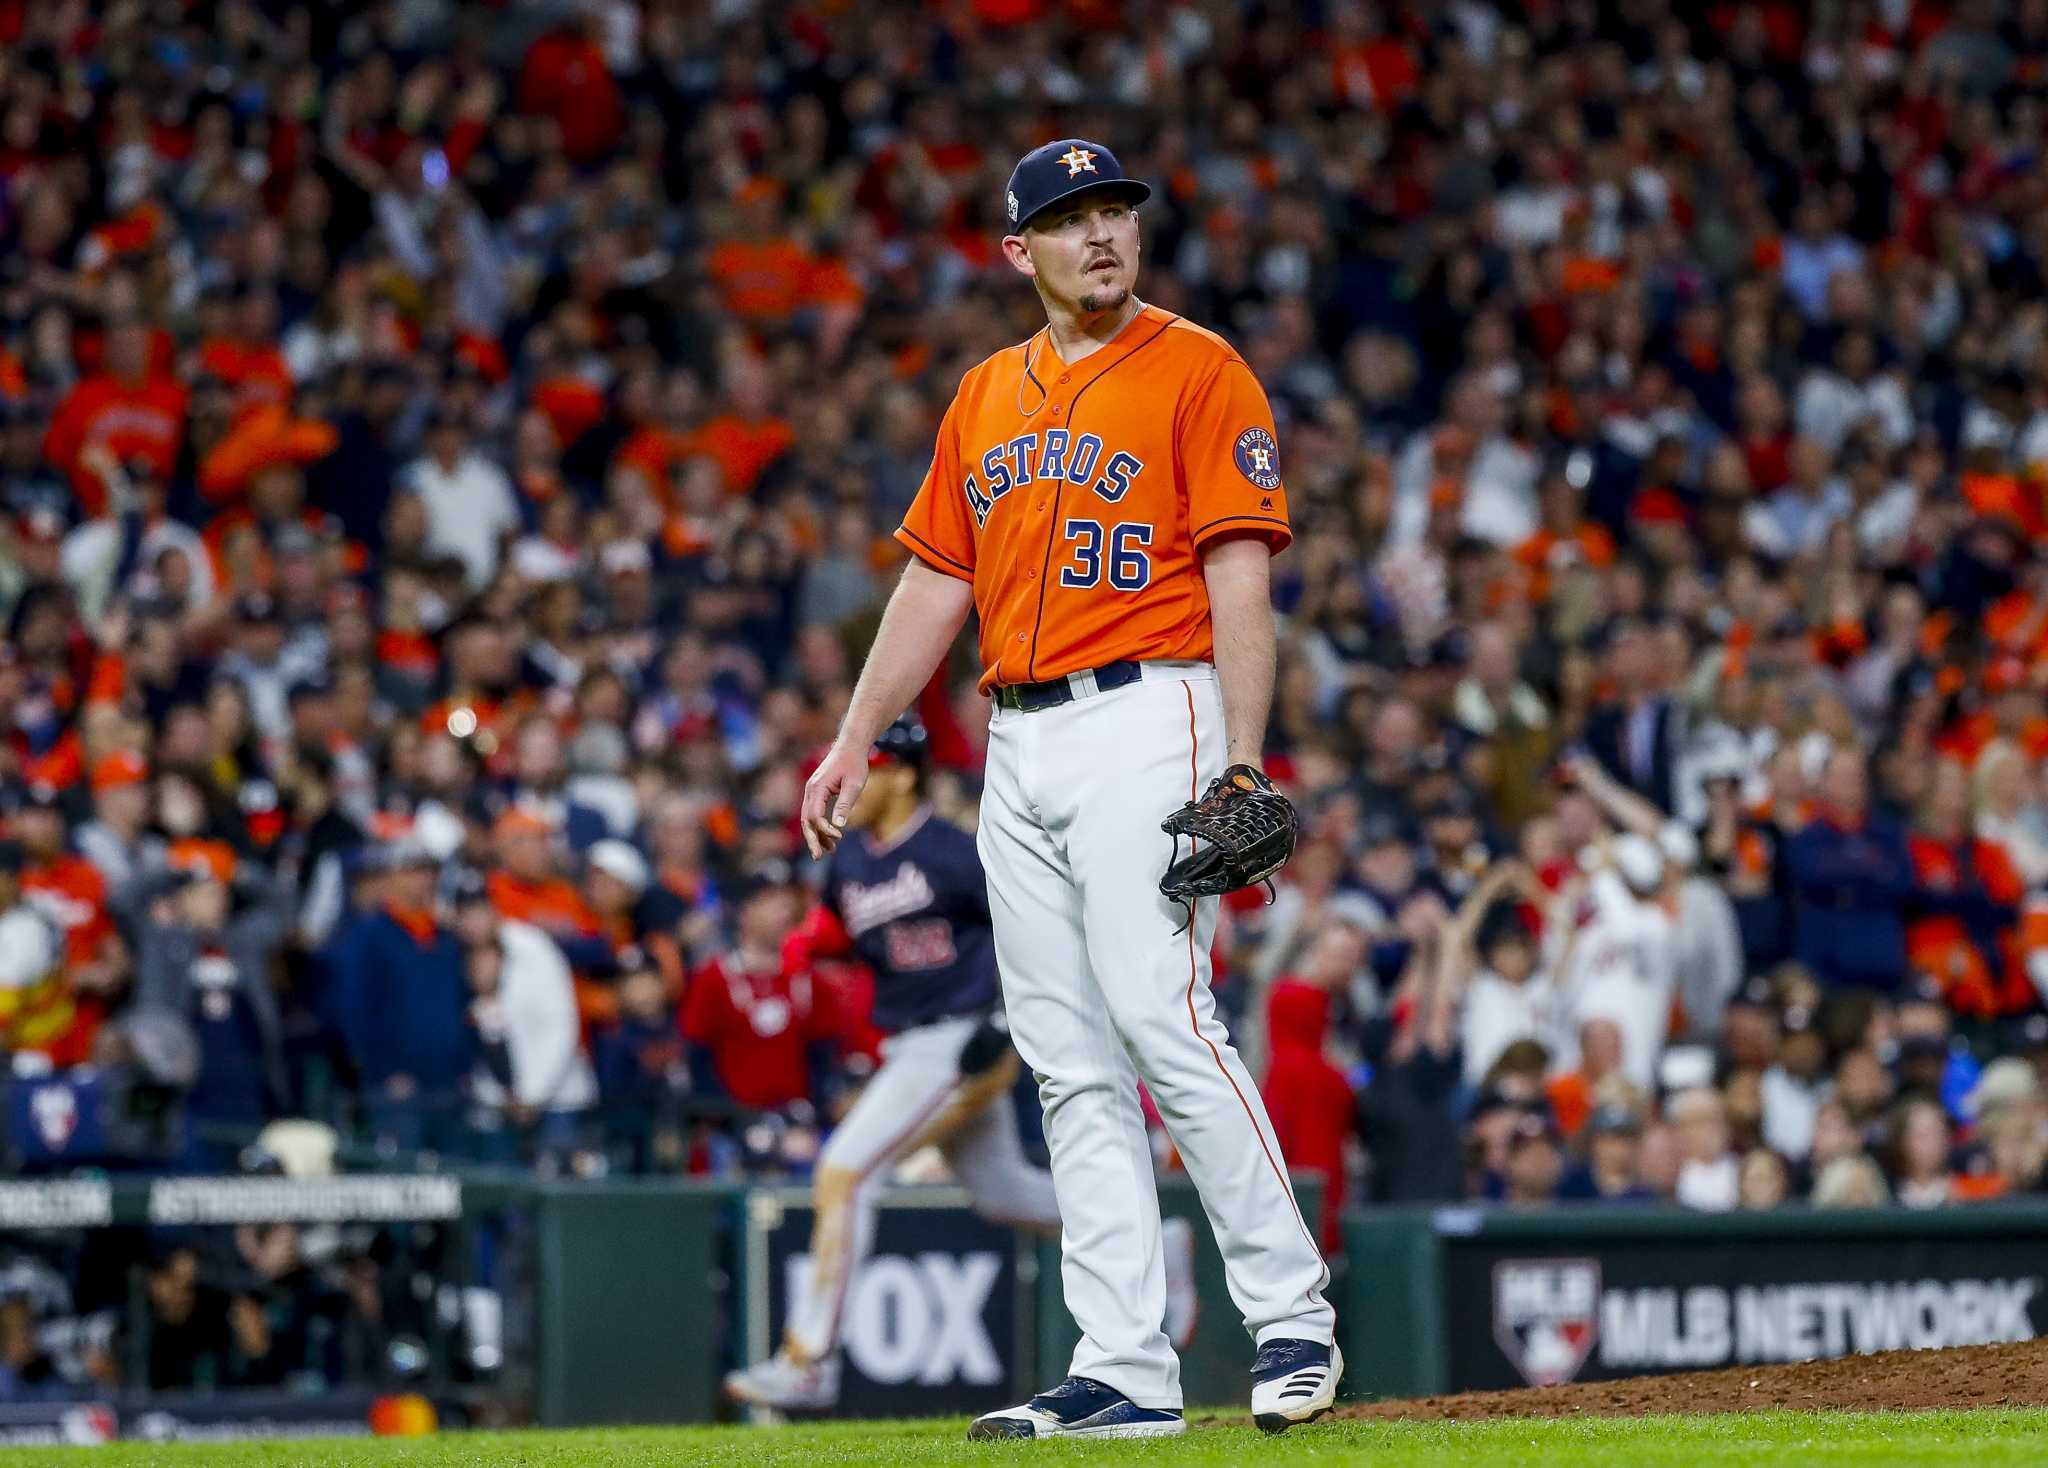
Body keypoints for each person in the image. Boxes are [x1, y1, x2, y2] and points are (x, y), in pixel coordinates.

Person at [799, 139, 1337, 1441]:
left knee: (1163, 1014)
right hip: (1016, 738)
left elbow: (1242, 583)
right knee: (1064, 1061)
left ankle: (1291, 1318)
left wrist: (1246, 753)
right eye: (1071, 218)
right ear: (1018, 251)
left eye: (1116, 213)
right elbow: (937, 583)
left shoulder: (1200, 368)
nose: (1101, 235)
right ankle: (1126, 1367)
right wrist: (857, 733)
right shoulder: (985, 394)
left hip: (1153, 708)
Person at [725, 719, 1198, 1412]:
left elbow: (1035, 928)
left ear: (905, 774)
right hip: (911, 1041)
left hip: (965, 1038)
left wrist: (1008, 1020)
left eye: (873, 767)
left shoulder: (953, 851)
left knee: (845, 1173)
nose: (857, 781)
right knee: (1002, 1194)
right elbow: (839, 937)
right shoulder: (852, 862)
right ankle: (1162, 1241)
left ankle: (808, 1361)